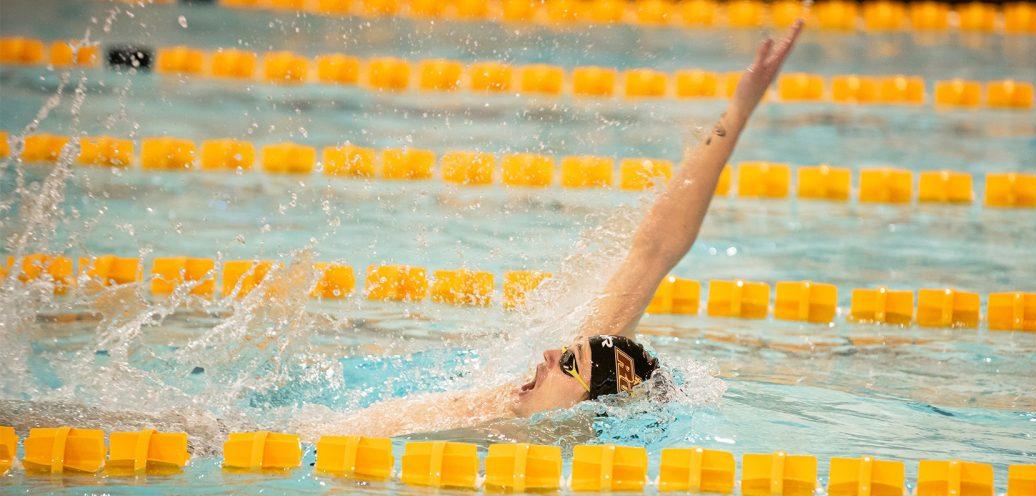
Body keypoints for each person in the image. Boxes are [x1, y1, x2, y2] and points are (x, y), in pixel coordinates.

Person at [318, 20, 806, 439]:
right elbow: (654, 249)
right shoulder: (515, 407)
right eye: (567, 355)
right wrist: (738, 112)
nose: (551, 354)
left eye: (568, 365)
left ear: (591, 410)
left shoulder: (535, 446)